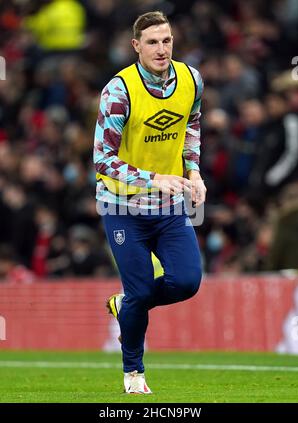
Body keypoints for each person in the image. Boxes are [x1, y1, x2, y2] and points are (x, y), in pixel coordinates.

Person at [93, 11, 206, 394]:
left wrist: (193, 172)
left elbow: (191, 125)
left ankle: (124, 304)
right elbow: (102, 159)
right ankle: (133, 373)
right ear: (136, 46)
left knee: (188, 281)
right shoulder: (118, 90)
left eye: (167, 40)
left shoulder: (192, 79)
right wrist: (153, 178)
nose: (162, 49)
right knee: (141, 292)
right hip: (122, 205)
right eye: (153, 42)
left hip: (168, 203)